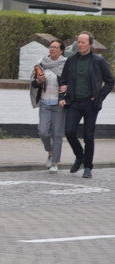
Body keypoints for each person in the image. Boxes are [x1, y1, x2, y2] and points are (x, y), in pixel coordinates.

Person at [58, 31, 114, 178]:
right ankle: (80, 156)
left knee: (88, 136)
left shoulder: (98, 61)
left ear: (90, 44)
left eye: (83, 42)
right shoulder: (71, 61)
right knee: (69, 131)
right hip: (74, 102)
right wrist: (61, 96)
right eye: (78, 42)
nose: (80, 44)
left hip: (90, 104)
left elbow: (110, 81)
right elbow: (62, 81)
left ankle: (88, 166)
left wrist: (99, 97)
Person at [30, 40, 67, 174]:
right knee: (43, 132)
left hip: (59, 104)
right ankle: (50, 152)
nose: (52, 49)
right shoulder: (41, 63)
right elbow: (33, 83)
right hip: (45, 102)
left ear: (61, 51)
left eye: (56, 47)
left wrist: (68, 88)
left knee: (57, 134)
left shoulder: (66, 65)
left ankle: (55, 162)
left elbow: (72, 81)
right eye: (51, 47)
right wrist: (38, 81)